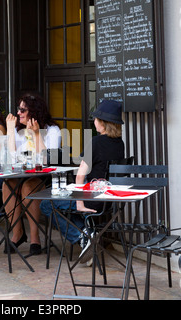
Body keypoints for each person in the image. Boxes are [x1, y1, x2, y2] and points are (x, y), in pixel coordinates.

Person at [39, 99, 125, 264]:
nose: (94, 121)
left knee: (46, 204)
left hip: (92, 199)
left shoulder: (96, 142)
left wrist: (79, 202)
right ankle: (87, 232)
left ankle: (83, 236)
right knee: (60, 204)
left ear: (104, 123)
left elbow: (80, 175)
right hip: (109, 200)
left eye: (97, 119)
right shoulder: (119, 144)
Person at [3, 94, 61, 255]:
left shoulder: (52, 130)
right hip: (19, 174)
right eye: (18, 109)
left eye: (23, 110)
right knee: (7, 184)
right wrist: (9, 131)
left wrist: (36, 135)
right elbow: (11, 158)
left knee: (28, 186)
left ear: (34, 112)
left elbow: (47, 160)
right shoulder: (17, 130)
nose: (18, 113)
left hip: (44, 177)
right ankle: (18, 233)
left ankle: (35, 237)